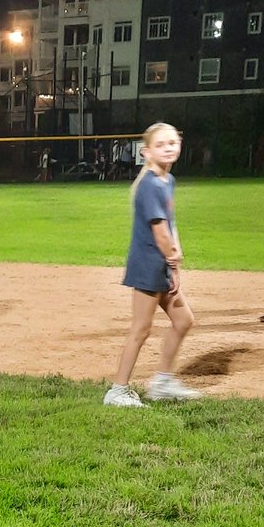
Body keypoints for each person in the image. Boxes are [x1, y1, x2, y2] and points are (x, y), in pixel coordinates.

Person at [103, 123, 201, 407]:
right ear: (146, 152)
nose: (169, 147)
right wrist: (173, 261)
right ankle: (117, 390)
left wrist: (175, 258)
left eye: (173, 142)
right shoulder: (148, 185)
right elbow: (159, 232)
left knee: (183, 320)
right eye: (161, 144)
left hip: (162, 262)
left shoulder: (166, 181)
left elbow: (171, 225)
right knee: (141, 329)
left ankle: (162, 382)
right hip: (148, 264)